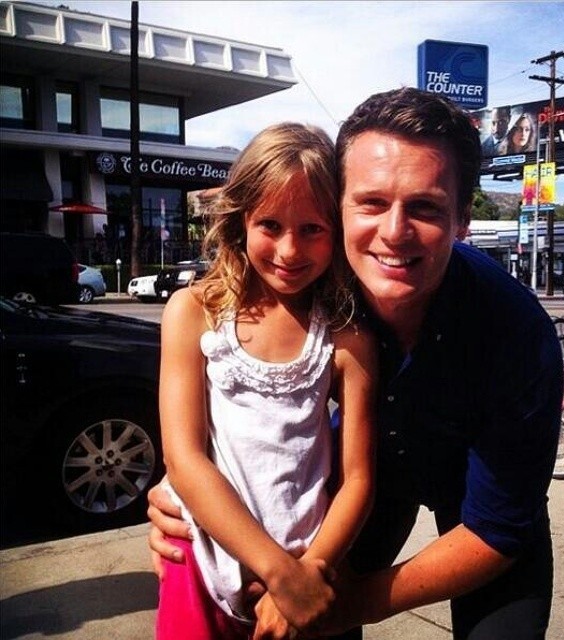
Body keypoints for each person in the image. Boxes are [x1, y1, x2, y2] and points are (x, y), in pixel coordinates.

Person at [148, 88, 563, 640]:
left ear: (463, 218)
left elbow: (499, 528)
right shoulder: (314, 286)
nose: (393, 233)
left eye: (425, 207)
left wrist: (338, 603)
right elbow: (243, 417)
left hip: (478, 503)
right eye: (371, 203)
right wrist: (185, 501)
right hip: (367, 483)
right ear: (337, 207)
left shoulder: (516, 333)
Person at [154, 122, 376, 639]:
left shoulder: (346, 337)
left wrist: (309, 572)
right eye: (270, 225)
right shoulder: (194, 312)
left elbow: (358, 479)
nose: (289, 250)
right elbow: (183, 459)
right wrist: (280, 572)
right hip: (200, 566)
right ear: (240, 220)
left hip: (308, 570)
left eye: (312, 229)